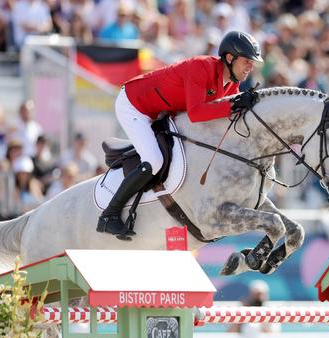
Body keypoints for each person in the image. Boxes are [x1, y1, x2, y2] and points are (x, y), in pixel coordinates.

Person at [97, 30, 263, 238]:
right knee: (154, 160)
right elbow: (196, 113)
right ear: (230, 58)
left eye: (252, 62)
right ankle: (109, 215)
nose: (251, 67)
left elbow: (222, 119)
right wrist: (233, 106)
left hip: (161, 113)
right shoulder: (200, 67)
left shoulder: (231, 84)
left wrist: (244, 106)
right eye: (247, 61)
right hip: (134, 106)